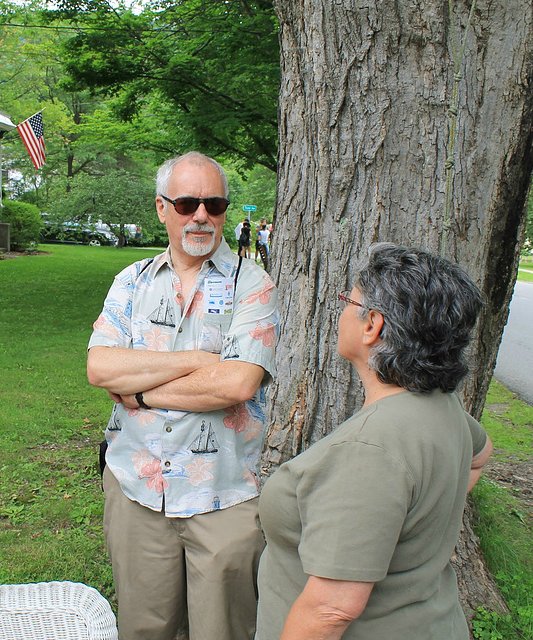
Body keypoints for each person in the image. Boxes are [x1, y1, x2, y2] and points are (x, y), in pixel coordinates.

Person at [255, 243, 493, 640]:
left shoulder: (369, 451)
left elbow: (330, 610)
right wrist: (414, 530)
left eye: (349, 300)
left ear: (372, 325)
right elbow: (480, 456)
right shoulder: (443, 406)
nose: (342, 311)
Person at [87, 151, 278, 640]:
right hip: (138, 493)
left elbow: (238, 383)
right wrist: (198, 362)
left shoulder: (251, 283)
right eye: (188, 202)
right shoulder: (130, 282)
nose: (201, 216)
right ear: (161, 208)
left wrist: (143, 394)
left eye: (214, 204)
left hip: (224, 495)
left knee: (223, 632)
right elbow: (100, 366)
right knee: (144, 630)